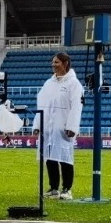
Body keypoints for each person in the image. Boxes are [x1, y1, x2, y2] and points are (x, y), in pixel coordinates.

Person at [35, 52, 84, 200]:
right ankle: (54, 188)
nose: (53, 65)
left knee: (65, 158)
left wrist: (72, 127)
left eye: (56, 62)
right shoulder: (48, 83)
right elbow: (41, 104)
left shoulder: (74, 84)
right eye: (53, 62)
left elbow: (76, 106)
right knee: (50, 157)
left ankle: (67, 189)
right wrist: (38, 123)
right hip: (48, 127)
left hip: (63, 127)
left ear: (65, 63)